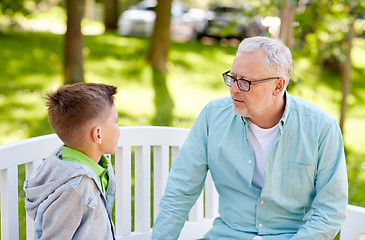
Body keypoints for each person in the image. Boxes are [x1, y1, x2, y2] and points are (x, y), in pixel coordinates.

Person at [152, 36, 348, 240]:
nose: (234, 89)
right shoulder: (213, 116)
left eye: (246, 82)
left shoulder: (321, 128)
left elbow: (330, 212)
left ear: (278, 86)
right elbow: (180, 191)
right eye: (233, 77)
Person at [24, 83, 120, 240]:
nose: (118, 128)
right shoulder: (74, 188)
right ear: (98, 135)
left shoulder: (96, 163)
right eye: (115, 121)